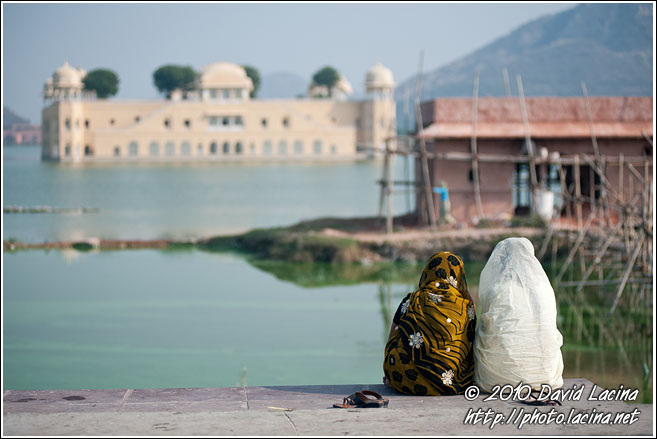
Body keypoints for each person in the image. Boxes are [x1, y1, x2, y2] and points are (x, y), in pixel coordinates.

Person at [473, 237, 564, 393]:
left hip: (495, 382)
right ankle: (535, 373)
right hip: (546, 379)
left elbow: (489, 328)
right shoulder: (545, 288)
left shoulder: (497, 289)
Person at [383, 251, 476, 395]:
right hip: (451, 383)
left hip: (407, 379)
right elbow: (470, 345)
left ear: (427, 272)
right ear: (459, 276)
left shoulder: (413, 300)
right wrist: (467, 295)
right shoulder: (466, 307)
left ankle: (392, 377)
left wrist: (389, 372)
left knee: (400, 335)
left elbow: (391, 338)